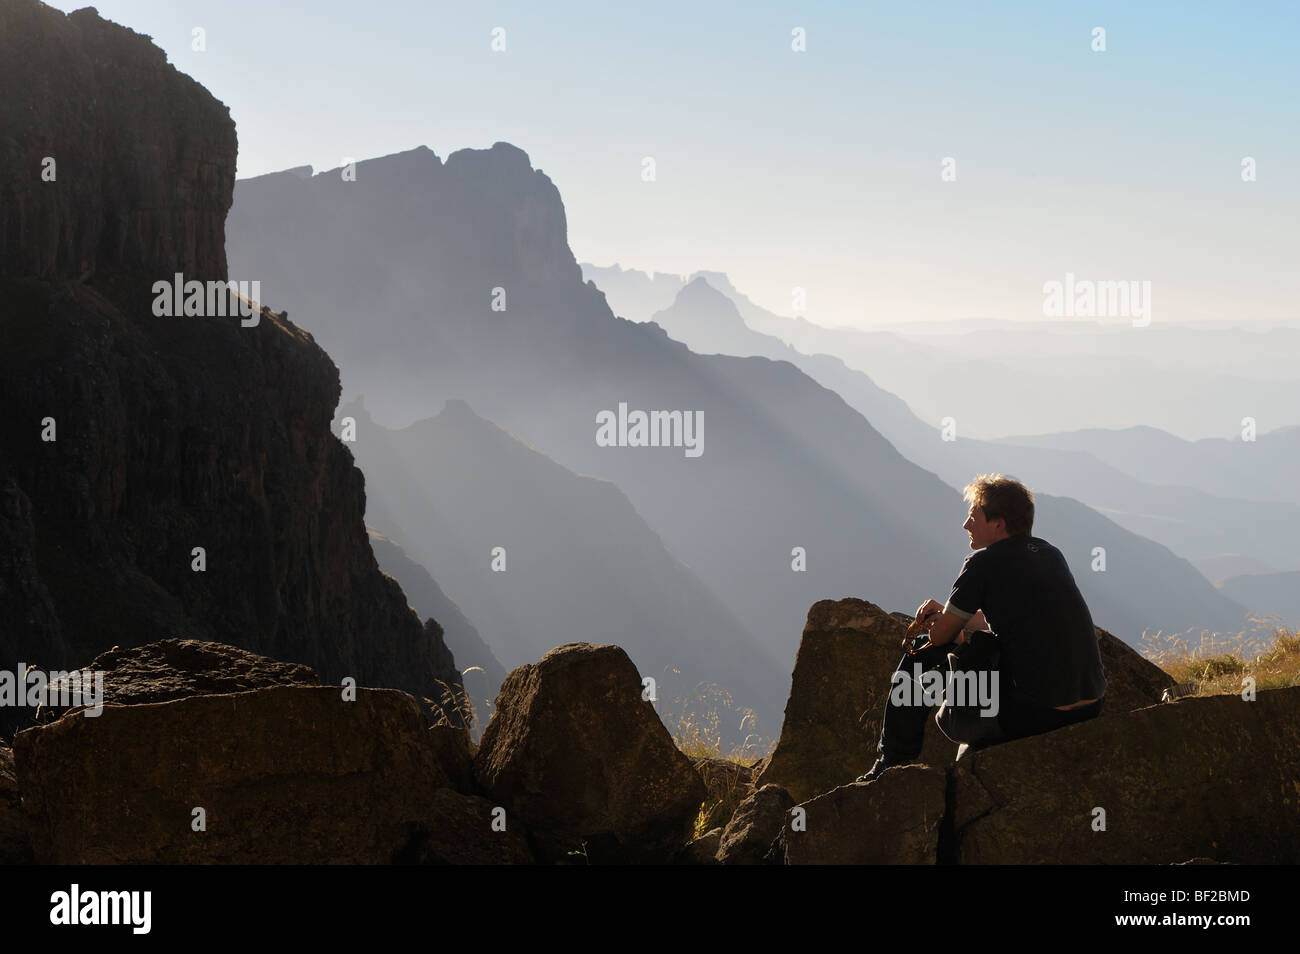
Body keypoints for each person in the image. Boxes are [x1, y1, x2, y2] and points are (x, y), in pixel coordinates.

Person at [856, 473, 1108, 782]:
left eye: (974, 516)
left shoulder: (981, 563)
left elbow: (940, 638)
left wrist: (946, 624)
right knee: (988, 646)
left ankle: (890, 763)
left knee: (920, 658)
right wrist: (955, 616)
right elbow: (1011, 618)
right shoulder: (1050, 554)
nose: (966, 525)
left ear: (998, 524)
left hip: (1036, 714)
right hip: (1090, 705)